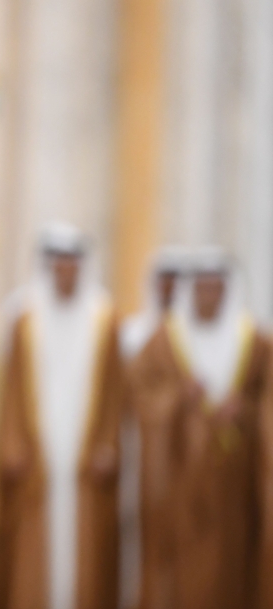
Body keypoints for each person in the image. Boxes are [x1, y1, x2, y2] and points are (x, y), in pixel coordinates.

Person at [128, 247, 270, 609]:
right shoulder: (164, 341)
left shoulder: (255, 343)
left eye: (216, 288)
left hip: (234, 489)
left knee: (231, 570)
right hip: (179, 485)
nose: (209, 297)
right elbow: (140, 394)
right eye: (202, 289)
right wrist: (178, 397)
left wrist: (247, 411)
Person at [0, 223, 123, 609]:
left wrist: (108, 444)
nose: (66, 273)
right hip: (38, 456)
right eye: (59, 265)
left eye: (73, 265)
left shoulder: (104, 319)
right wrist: (13, 445)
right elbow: (11, 390)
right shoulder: (24, 319)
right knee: (35, 554)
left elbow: (116, 394)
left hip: (84, 460)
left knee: (84, 554)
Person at [115, 245, 188, 609]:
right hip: (136, 455)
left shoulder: (195, 340)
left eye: (177, 282)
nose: (169, 289)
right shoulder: (131, 336)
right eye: (164, 281)